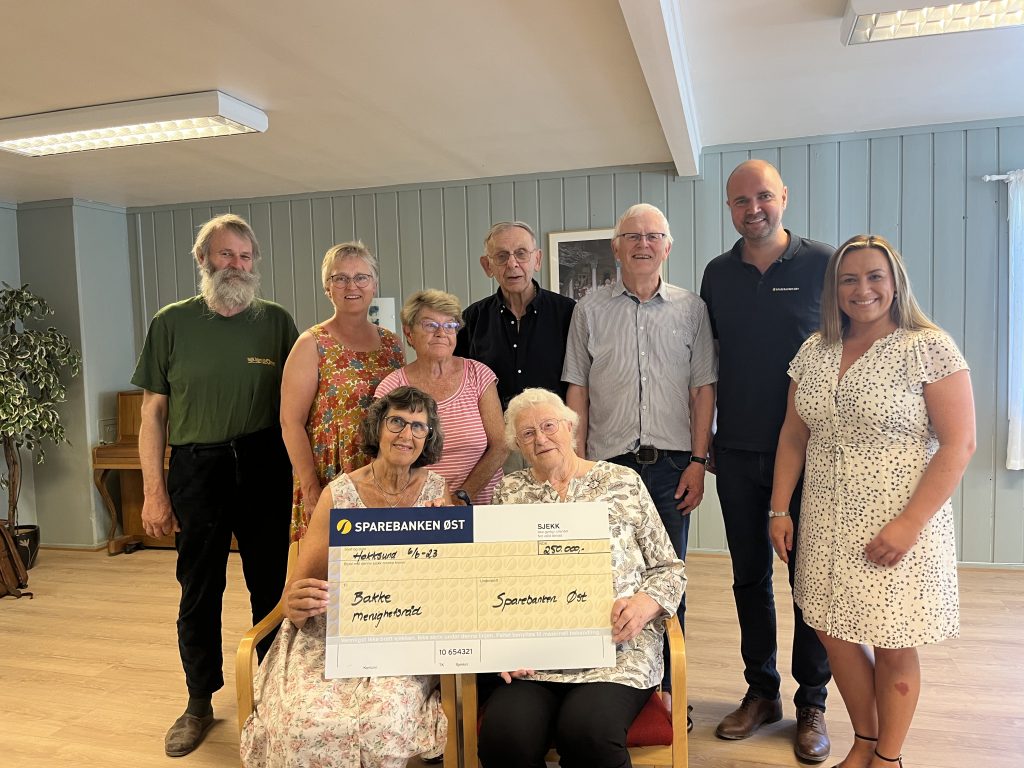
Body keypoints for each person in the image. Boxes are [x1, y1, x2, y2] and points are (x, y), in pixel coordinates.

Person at [769, 235, 975, 768]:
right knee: (830, 629)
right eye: (849, 279)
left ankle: (888, 757)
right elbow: (794, 434)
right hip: (823, 519)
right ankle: (864, 738)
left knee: (892, 639)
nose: (862, 289)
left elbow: (959, 444)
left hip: (897, 521)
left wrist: (910, 523)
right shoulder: (815, 350)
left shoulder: (927, 347)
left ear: (895, 282)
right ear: (834, 288)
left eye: (874, 276)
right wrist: (779, 508)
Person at [131, 213, 299, 757]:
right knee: (199, 589)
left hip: (264, 462)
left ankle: (273, 695)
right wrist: (154, 492)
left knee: (270, 586)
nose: (237, 265)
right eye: (226, 254)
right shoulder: (172, 322)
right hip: (197, 468)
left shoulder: (276, 322)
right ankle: (198, 701)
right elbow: (153, 414)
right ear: (203, 259)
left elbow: (299, 404)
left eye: (245, 257)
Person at [699, 159, 833, 760]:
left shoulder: (823, 263)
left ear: (784, 196)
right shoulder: (717, 273)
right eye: (740, 201)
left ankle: (812, 701)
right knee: (749, 577)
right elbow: (709, 359)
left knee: (808, 580)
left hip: (810, 455)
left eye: (763, 197)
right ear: (729, 208)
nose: (752, 209)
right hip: (736, 452)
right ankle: (762, 691)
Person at [241, 386, 450, 768]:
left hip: (405, 632)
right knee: (299, 721)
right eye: (397, 422)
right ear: (378, 427)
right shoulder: (338, 494)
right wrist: (294, 602)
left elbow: (448, 581)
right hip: (334, 629)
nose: (406, 434)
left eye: (418, 426)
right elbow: (298, 590)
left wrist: (445, 534)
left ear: (428, 437)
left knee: (382, 718)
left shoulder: (437, 490)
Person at [477, 388, 685, 768]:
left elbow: (669, 568)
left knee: (588, 732)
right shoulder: (510, 492)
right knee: (504, 736)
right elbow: (493, 578)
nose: (540, 439)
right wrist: (502, 646)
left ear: (570, 427)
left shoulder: (622, 481)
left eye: (548, 426)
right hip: (534, 656)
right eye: (527, 434)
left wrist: (644, 605)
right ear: (518, 446)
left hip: (617, 652)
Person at [562, 202, 715, 709]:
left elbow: (703, 390)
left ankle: (668, 690)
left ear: (667, 247)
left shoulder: (691, 309)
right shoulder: (588, 311)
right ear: (616, 247)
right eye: (632, 236)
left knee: (667, 578)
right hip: (607, 469)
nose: (643, 244)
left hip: (673, 466)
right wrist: (577, 465)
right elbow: (578, 391)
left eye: (653, 236)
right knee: (604, 575)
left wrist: (698, 462)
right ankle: (609, 681)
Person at [280, 241, 404, 541]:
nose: (352, 286)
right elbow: (290, 422)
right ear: (327, 287)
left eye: (361, 277)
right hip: (330, 471)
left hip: (382, 468)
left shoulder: (391, 344)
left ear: (374, 284)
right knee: (329, 563)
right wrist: (311, 486)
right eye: (340, 278)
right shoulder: (311, 343)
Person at [455, 221, 576, 474]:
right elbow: (460, 385)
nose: (512, 264)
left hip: (555, 443)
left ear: (537, 259)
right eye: (501, 256)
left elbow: (581, 382)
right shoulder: (472, 319)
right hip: (498, 448)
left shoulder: (568, 313)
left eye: (521, 253)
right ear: (487, 266)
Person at [376, 289, 506, 503]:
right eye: (430, 325)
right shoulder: (392, 386)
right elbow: (384, 456)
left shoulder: (478, 374)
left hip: (481, 505)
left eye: (450, 325)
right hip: (420, 509)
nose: (441, 333)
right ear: (409, 333)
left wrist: (462, 497)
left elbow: (500, 445)